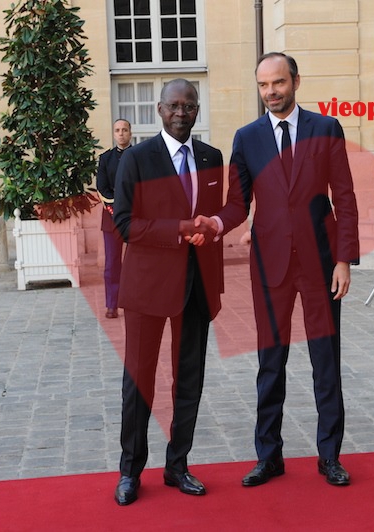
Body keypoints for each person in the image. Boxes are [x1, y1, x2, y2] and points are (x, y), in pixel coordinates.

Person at [199, 52, 360, 487]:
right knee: (271, 364)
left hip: (321, 265)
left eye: (278, 83)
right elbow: (238, 202)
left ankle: (329, 457)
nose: (271, 92)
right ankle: (269, 456)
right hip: (269, 267)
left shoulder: (325, 128)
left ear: (295, 82)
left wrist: (344, 260)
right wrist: (216, 223)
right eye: (264, 85)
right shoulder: (247, 137)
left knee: (326, 362)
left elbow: (343, 197)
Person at [112, 79, 224, 506]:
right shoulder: (138, 158)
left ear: (198, 110)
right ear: (159, 110)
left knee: (188, 382)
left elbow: (215, 217)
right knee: (138, 383)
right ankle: (130, 471)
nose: (182, 113)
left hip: (196, 289)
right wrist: (178, 231)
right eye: (174, 106)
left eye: (189, 106)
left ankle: (178, 466)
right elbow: (125, 224)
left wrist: (208, 231)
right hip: (147, 289)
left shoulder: (212, 157)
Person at [97, 119, 132, 319]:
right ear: (113, 133)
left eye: (124, 130)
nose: (121, 134)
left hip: (136, 218)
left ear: (130, 133)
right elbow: (102, 187)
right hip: (111, 219)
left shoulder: (140, 156)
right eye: (117, 130)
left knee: (135, 262)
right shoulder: (105, 159)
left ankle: (133, 301)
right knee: (112, 264)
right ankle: (112, 304)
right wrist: (117, 209)